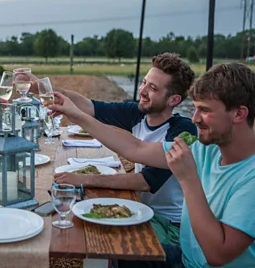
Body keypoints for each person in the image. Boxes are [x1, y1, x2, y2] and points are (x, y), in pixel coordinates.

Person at [50, 63, 255, 267]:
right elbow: (135, 149)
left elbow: (217, 256)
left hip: (197, 262)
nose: (195, 119)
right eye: (195, 109)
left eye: (205, 110)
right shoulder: (206, 149)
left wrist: (188, 179)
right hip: (187, 258)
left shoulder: (250, 176)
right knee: (111, 249)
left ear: (239, 114)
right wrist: (74, 114)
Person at [38, 53, 197, 245]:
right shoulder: (138, 113)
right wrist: (43, 88)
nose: (143, 91)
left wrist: (84, 180)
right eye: (144, 82)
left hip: (170, 225)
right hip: (142, 209)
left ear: (173, 100)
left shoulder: (183, 130)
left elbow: (145, 181)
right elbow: (90, 106)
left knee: (105, 238)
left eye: (152, 88)